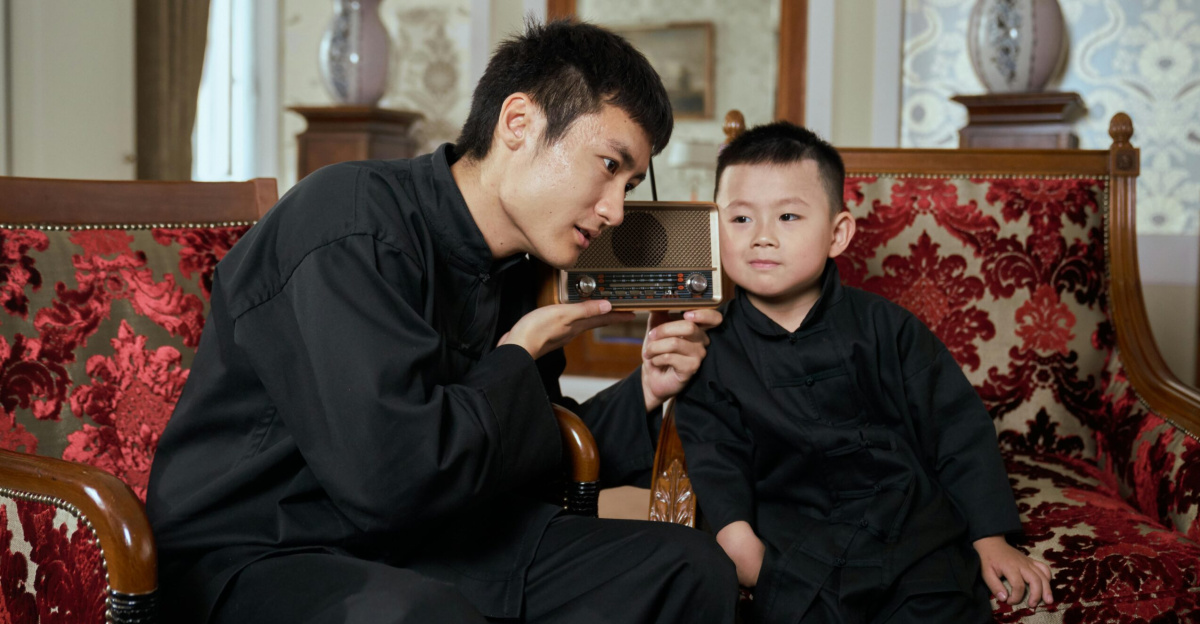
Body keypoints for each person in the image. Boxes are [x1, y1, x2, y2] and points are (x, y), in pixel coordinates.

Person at [146, 20, 736, 624]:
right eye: (608, 165)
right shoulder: (347, 224)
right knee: (423, 614)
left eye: (630, 183)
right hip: (263, 551)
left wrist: (645, 389)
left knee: (686, 569)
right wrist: (516, 356)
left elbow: (532, 453)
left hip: (425, 545)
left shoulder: (518, 269)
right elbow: (391, 481)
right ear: (519, 123)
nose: (616, 210)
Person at [674, 121, 1054, 623]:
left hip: (909, 524)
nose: (762, 237)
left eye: (788, 216)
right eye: (740, 218)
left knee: (940, 603)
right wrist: (742, 546)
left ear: (838, 233)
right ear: (712, 227)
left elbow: (957, 428)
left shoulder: (886, 327)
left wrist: (990, 538)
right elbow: (714, 456)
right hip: (795, 534)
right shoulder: (709, 349)